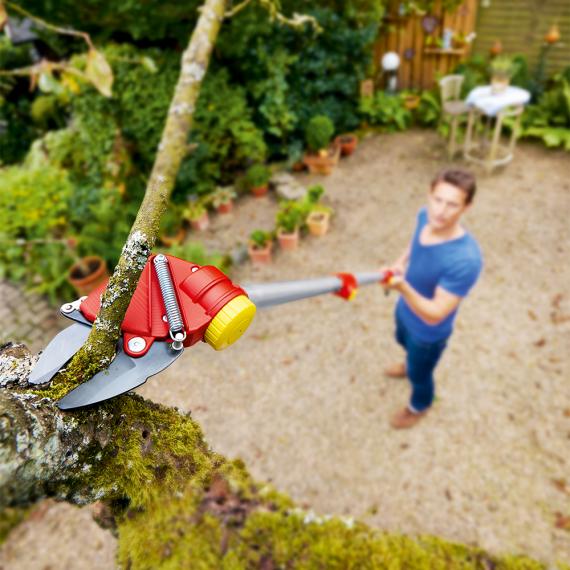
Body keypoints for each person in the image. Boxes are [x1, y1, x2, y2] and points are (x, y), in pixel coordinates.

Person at [381, 168, 483, 429]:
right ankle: (408, 364)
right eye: (438, 200)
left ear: (467, 208)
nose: (440, 211)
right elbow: (414, 242)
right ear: (429, 195)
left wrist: (402, 287)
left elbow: (436, 312)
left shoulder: (466, 260)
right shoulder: (424, 216)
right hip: (405, 312)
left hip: (427, 334)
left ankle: (419, 405)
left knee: (421, 374)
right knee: (401, 342)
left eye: (452, 205)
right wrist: (401, 261)